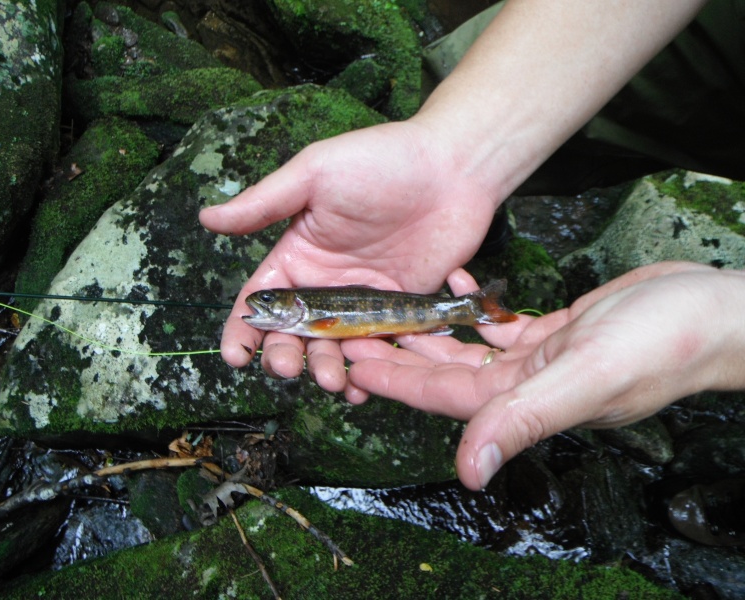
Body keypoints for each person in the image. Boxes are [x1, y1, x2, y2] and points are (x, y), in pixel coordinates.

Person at [199, 0, 745, 490]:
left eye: (269, 305)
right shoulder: (308, 314)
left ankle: (477, 252)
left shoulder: (313, 316)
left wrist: (720, 329)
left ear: (295, 307)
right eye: (268, 307)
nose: (263, 309)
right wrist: (454, 157)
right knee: (453, 80)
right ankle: (475, 207)